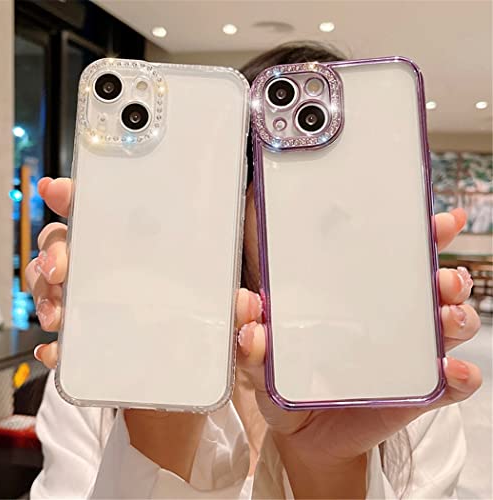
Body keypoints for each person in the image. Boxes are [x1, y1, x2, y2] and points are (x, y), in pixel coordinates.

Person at [27, 42, 482, 499]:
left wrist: (328, 467)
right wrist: (159, 412)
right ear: (226, 199)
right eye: (294, 186)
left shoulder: (407, 398)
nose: (332, 220)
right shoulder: (105, 381)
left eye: (354, 194)